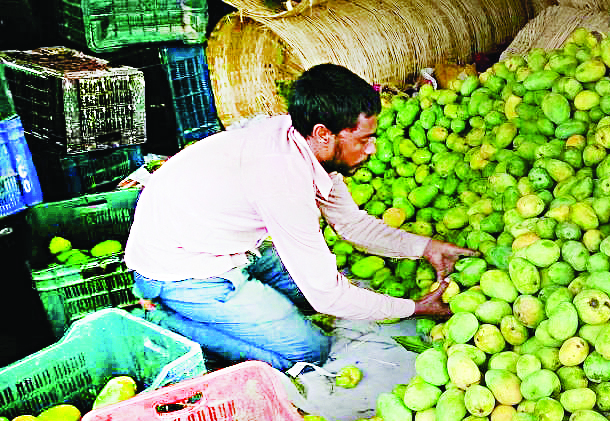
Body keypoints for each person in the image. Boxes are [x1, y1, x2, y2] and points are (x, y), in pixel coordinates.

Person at [125, 63, 474, 371]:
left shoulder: (303, 140)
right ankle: (166, 320)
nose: (372, 149)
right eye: (364, 140)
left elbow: (352, 225)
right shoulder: (282, 182)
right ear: (324, 134)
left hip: (222, 243)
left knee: (333, 293)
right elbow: (327, 297)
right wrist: (413, 308)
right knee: (308, 352)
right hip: (184, 271)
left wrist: (426, 247)